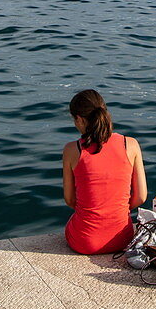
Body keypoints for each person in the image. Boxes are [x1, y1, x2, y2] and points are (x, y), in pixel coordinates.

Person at [62, 89, 148, 254]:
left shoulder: (72, 150)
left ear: (79, 119)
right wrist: (116, 209)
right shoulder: (130, 144)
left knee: (74, 222)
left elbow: (70, 199)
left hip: (85, 242)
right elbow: (141, 197)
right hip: (123, 238)